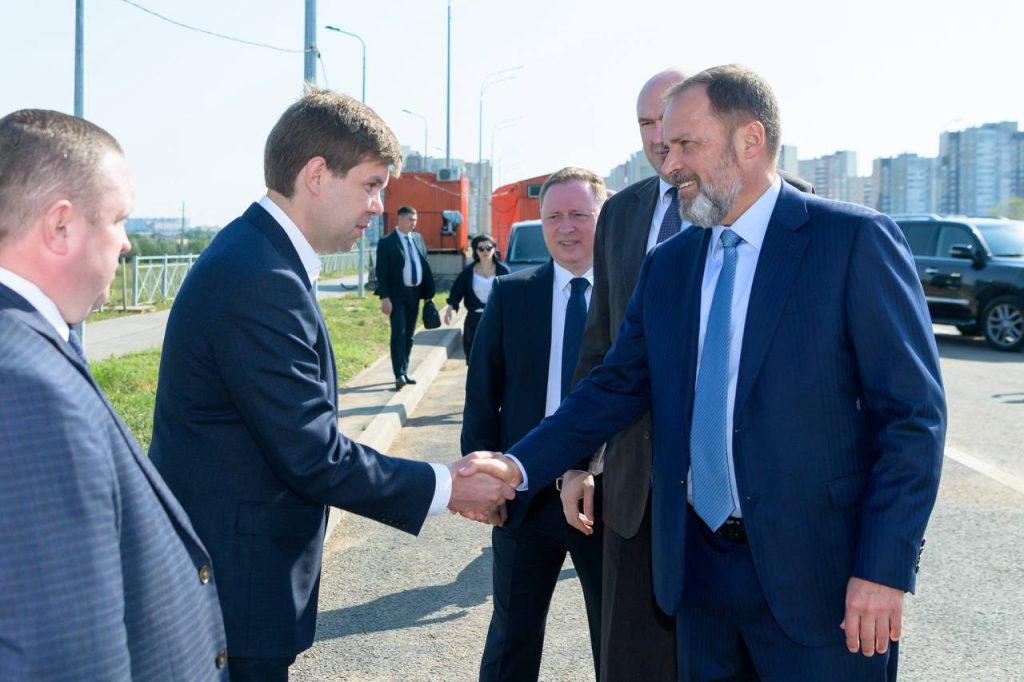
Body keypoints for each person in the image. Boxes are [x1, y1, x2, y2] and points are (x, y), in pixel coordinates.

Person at [469, 65, 945, 681]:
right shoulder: (670, 265)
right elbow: (613, 385)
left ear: (750, 140)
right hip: (699, 578)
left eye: (686, 145)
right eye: (666, 147)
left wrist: (883, 568)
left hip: (823, 584)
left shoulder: (851, 241)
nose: (669, 165)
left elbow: (912, 419)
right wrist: (518, 465)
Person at [148, 89, 513, 682]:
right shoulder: (260, 276)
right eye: (370, 185)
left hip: (237, 578)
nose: (378, 206)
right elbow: (312, 453)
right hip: (236, 589)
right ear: (316, 175)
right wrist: (449, 486)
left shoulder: (259, 256)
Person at [559, 68, 816, 682]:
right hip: (635, 493)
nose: (659, 143)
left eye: (674, 131)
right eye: (648, 126)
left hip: (747, 510)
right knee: (633, 663)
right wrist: (573, 462)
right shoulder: (621, 215)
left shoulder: (801, 213)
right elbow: (604, 353)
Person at [0, 109, 229, 680]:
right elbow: (64, 653)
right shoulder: (27, 388)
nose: (126, 243)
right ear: (61, 226)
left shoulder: (29, 344)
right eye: (119, 219)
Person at [463, 167, 607, 681]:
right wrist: (484, 483)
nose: (566, 228)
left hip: (605, 500)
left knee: (615, 641)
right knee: (512, 638)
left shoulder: (631, 295)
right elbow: (482, 397)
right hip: (524, 497)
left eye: (579, 214)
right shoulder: (511, 294)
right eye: (553, 217)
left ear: (604, 218)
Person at [375, 205, 435, 389]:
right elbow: (381, 272)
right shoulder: (387, 242)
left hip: (414, 295)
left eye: (415, 220)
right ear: (399, 219)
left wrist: (428, 296)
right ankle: (398, 374)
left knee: (409, 335)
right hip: (396, 296)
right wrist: (384, 297)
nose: (413, 223)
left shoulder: (417, 239)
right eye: (410, 219)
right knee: (398, 333)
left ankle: (405, 371)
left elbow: (424, 266)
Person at [444, 233, 510, 363]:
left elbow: (511, 296)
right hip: (474, 320)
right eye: (481, 248)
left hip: (496, 319)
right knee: (474, 357)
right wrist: (449, 309)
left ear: (494, 249)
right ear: (476, 251)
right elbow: (457, 290)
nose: (485, 251)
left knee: (496, 357)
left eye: (489, 248)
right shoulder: (468, 272)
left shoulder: (503, 271)